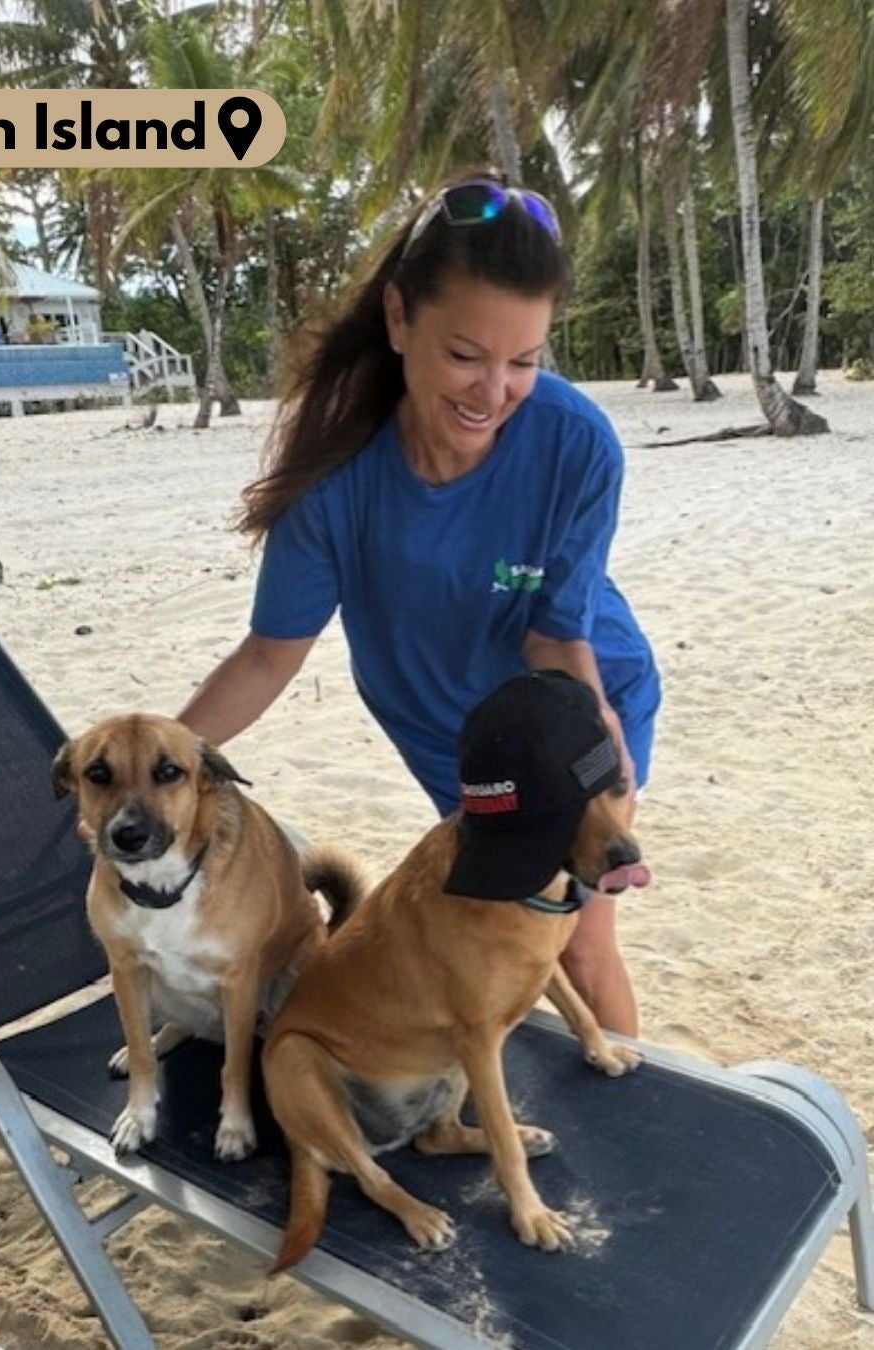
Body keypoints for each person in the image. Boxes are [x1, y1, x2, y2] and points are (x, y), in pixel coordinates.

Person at [178, 172, 660, 1036]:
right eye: (466, 356)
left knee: (578, 943)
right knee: (495, 943)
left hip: (577, 711)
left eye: (525, 362)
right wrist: (170, 761)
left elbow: (557, 638)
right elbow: (268, 655)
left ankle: (637, 1136)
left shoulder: (576, 443)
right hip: (449, 737)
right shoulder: (337, 472)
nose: (493, 392)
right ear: (400, 319)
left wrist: (594, 755)